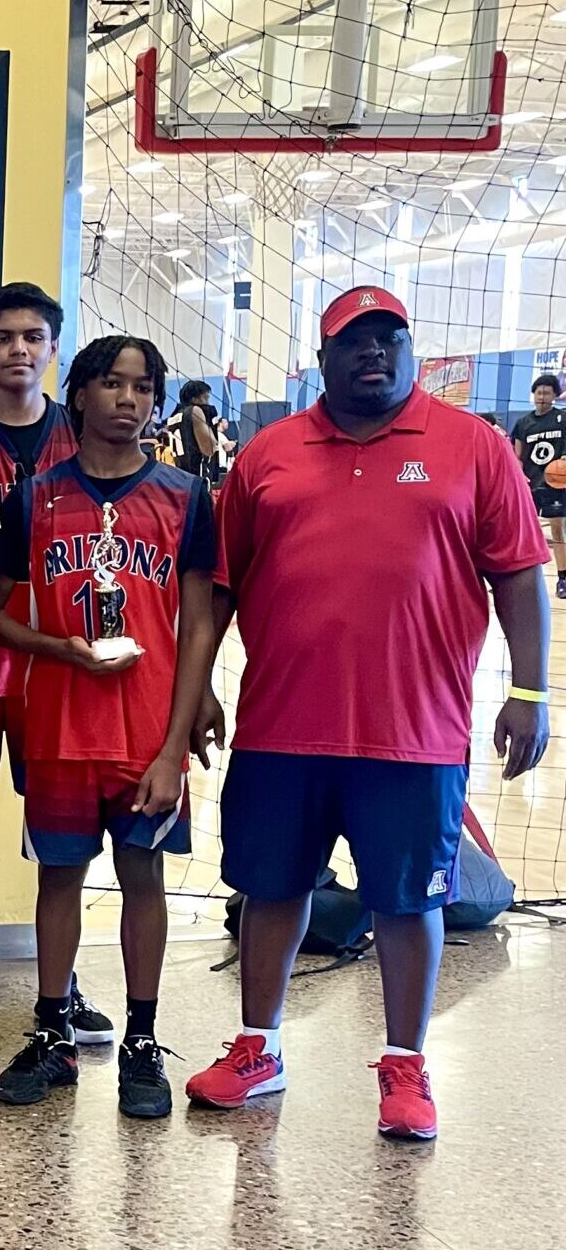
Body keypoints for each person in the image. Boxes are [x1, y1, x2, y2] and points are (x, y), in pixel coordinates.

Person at [188, 286, 550, 1141]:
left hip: (414, 733)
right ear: (323, 360)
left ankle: (406, 1067)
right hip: (281, 726)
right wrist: (198, 686)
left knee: (409, 901)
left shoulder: (472, 448)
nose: (374, 353)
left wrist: (529, 692)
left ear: (411, 349)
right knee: (270, 887)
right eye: (354, 341)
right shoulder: (266, 457)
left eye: (390, 338)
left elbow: (522, 574)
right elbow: (218, 589)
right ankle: (257, 1049)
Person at [0, 335, 219, 1120]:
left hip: (148, 732)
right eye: (112, 384)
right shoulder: (34, 497)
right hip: (58, 725)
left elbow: (196, 628)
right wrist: (60, 649)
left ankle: (143, 1040)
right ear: (78, 394)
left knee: (143, 876)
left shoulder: (185, 497)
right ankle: (52, 1030)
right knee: (59, 877)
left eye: (144, 387)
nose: (129, 399)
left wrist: (175, 745)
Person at [0, 282, 106, 1040]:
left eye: (33, 337)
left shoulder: (88, 435)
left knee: (59, 830)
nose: (18, 351)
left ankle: (60, 984)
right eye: (3, 337)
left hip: (57, 663)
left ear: (52, 348)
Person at [509, 374, 566, 600]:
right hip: (531, 485)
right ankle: (521, 578)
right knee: (522, 532)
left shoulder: (562, 419)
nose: (542, 397)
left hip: (556, 484)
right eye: (539, 393)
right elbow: (517, 456)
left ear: (555, 396)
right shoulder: (523, 423)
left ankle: (563, 578)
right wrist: (518, 477)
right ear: (533, 395)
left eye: (547, 393)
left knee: (558, 530)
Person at [162, 380, 219, 484]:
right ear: (195, 399)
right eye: (206, 398)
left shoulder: (173, 417)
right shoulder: (195, 411)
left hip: (178, 476)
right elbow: (209, 449)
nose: (208, 402)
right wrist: (210, 422)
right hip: (196, 478)